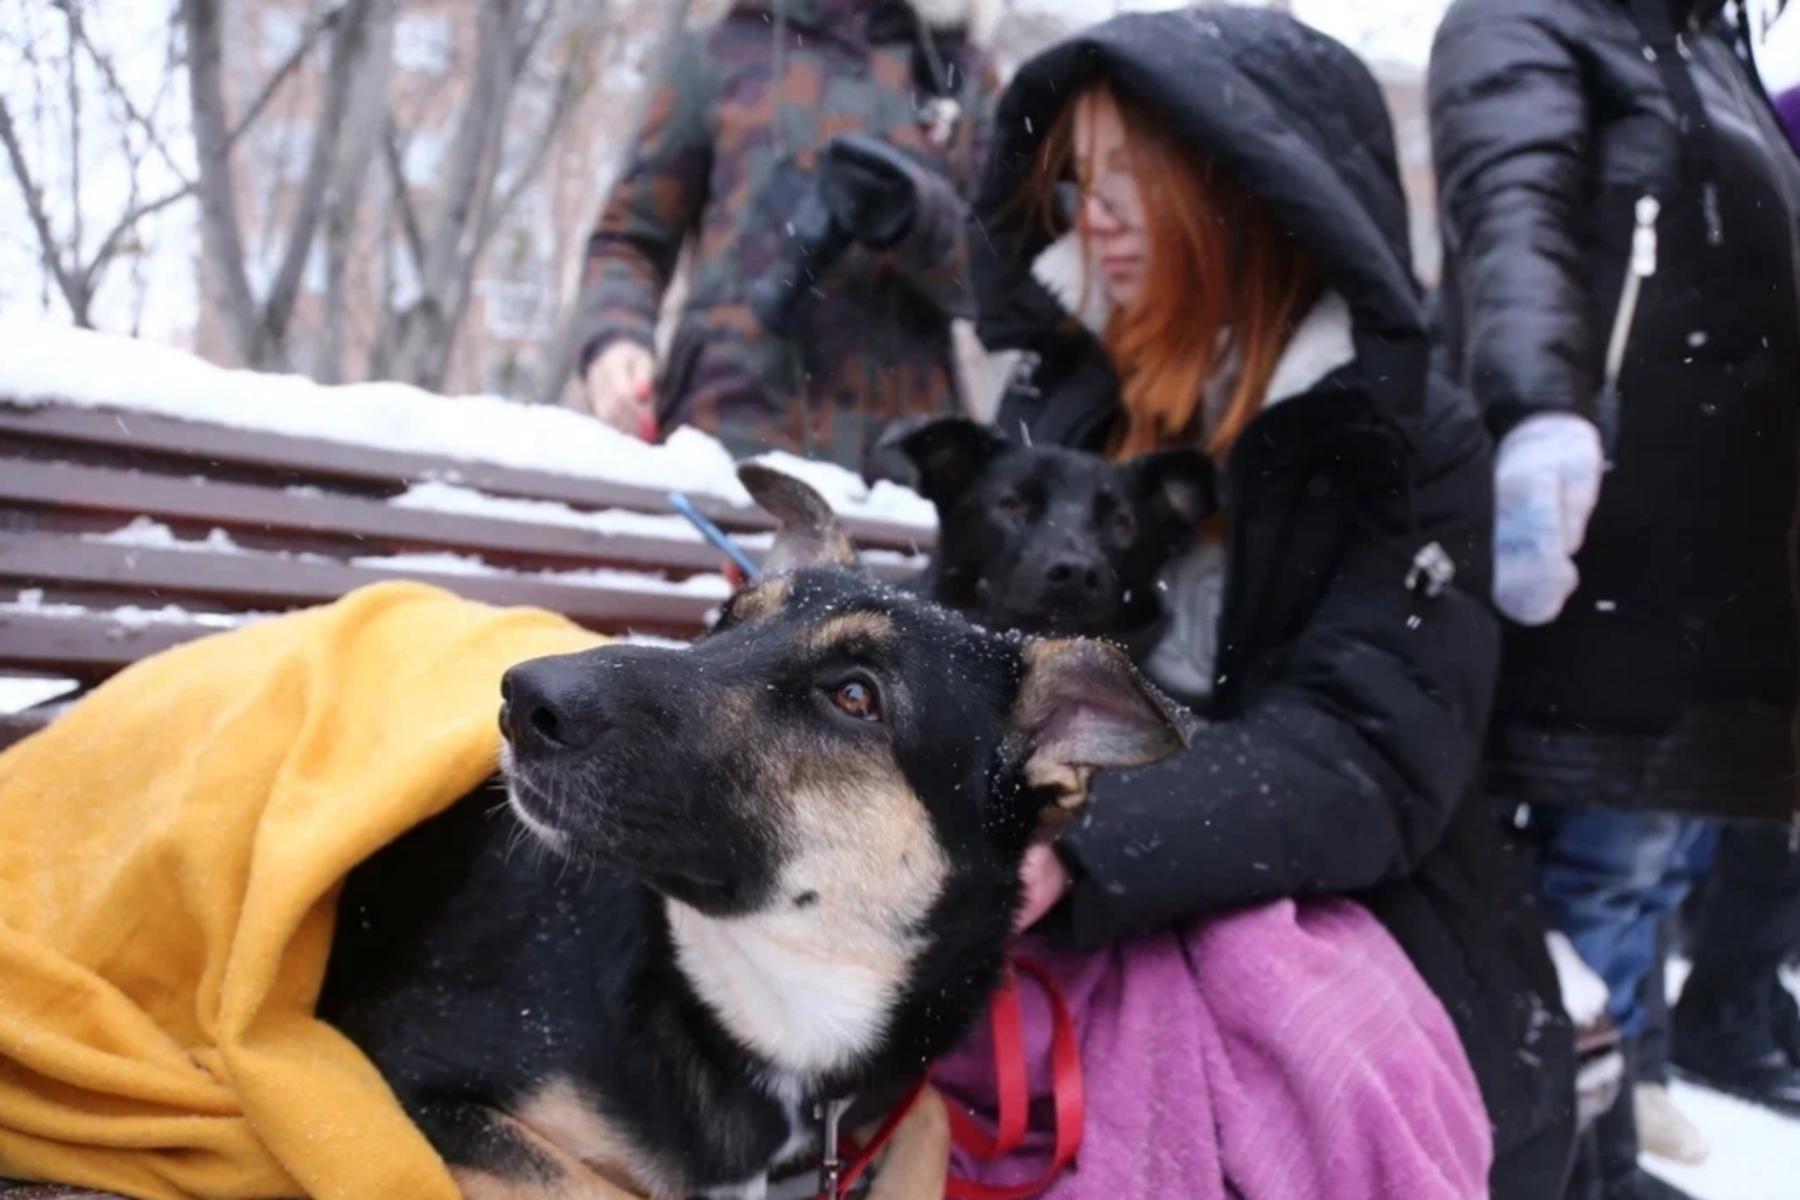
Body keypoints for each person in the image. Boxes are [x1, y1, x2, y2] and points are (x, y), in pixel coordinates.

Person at [946, 8, 1576, 1197]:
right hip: (1052, 877)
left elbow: (1367, 747)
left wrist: (1085, 838)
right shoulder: (1063, 400)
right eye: (1079, 177)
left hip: (1351, 894)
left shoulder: (1404, 439)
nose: (1096, 213)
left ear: (1249, 191)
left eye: (1136, 176)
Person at [1429, 0, 1800, 1192]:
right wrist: (1540, 415)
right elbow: (1513, 214)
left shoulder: (1714, 50)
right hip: (1594, 565)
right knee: (1554, 891)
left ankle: (1598, 1138)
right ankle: (1537, 1154)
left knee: (1637, 870)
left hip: (1710, 579)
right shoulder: (1540, 23)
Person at [575, 0, 997, 466]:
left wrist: (918, 220)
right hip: (729, 441)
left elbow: (1003, 281)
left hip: (905, 465)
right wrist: (616, 337)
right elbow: (631, 237)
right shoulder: (718, 54)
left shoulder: (958, 74)